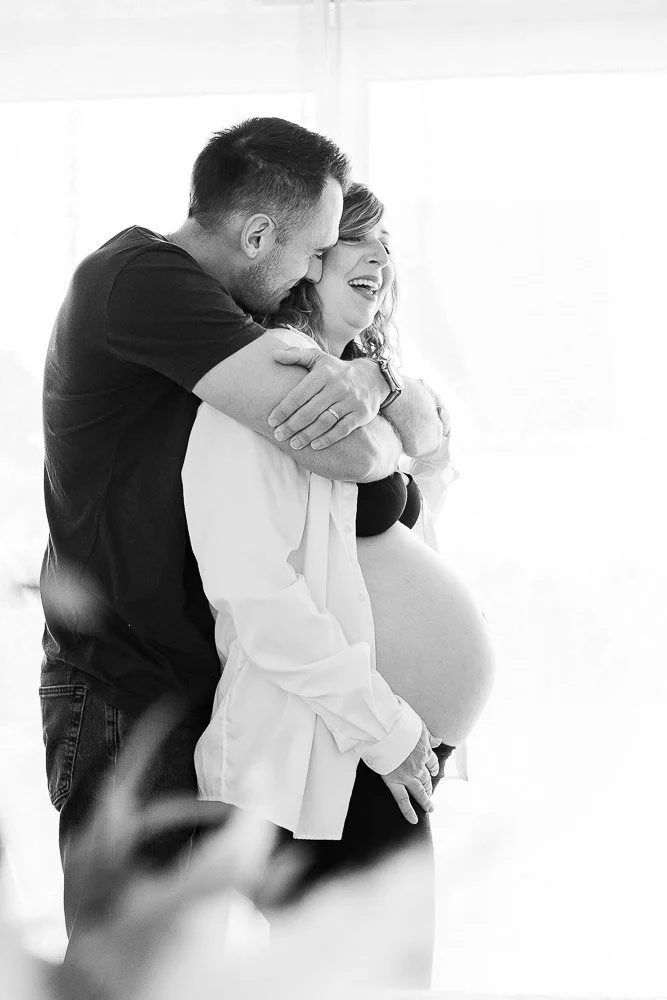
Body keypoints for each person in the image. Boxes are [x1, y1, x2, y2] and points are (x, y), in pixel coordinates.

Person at [39, 118, 443, 947]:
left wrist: (376, 375)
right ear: (258, 234)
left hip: (196, 684)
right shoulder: (139, 279)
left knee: (194, 966)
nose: (314, 269)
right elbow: (349, 446)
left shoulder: (219, 316)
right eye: (316, 250)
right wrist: (377, 382)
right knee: (133, 967)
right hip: (125, 688)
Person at [182, 183, 495, 986]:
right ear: (305, 257)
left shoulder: (364, 394)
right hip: (325, 757)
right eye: (363, 236)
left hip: (385, 757)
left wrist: (416, 440)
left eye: (392, 243)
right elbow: (256, 599)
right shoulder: (253, 404)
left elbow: (404, 550)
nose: (385, 256)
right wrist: (389, 728)